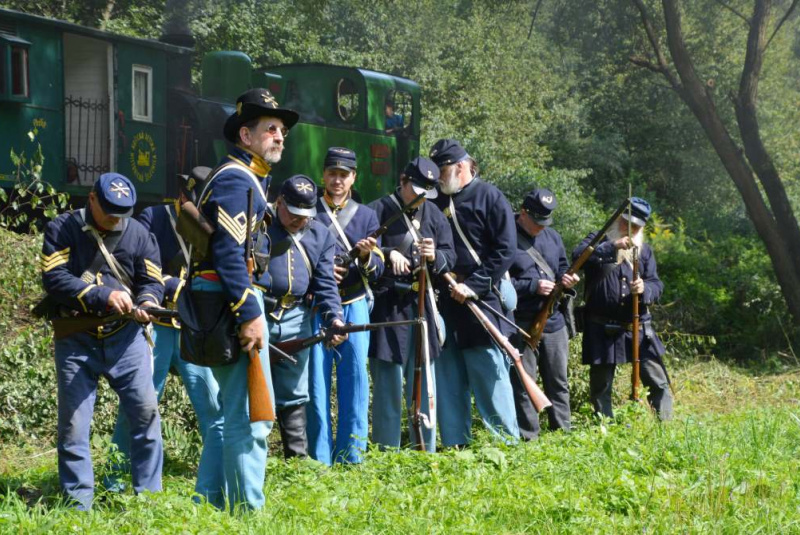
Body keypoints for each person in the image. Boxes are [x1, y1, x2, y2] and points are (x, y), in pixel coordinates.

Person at [188, 88, 298, 511]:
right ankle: (247, 512)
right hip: (232, 301)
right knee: (252, 416)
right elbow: (230, 255)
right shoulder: (236, 179)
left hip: (222, 299)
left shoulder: (243, 176)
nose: (279, 136)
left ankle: (211, 502)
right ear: (245, 136)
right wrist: (250, 314)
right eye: (270, 128)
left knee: (234, 413)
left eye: (282, 130)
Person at [41, 172, 164, 511]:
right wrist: (101, 295)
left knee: (146, 417)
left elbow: (151, 280)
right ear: (91, 199)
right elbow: (54, 278)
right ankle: (78, 506)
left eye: (122, 212)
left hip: (126, 340)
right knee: (74, 427)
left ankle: (149, 500)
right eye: (109, 209)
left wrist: (149, 303)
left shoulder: (139, 233)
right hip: (76, 338)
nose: (115, 218)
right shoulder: (62, 228)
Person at [107, 167, 224, 501]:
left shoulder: (214, 223)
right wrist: (178, 287)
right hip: (155, 328)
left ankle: (212, 488)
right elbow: (130, 266)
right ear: (184, 196)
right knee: (138, 409)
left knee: (214, 411)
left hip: (193, 330)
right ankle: (115, 482)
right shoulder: (153, 218)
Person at [429, 138, 520, 446]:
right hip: (444, 300)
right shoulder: (434, 202)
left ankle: (506, 446)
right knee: (449, 382)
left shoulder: (490, 196)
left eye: (442, 169)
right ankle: (456, 447)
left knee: (490, 380)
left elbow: (506, 249)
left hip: (481, 300)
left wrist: (475, 286)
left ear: (461, 166)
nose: (439, 177)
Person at [368, 157, 456, 452]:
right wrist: (387, 252)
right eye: (416, 188)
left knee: (425, 385)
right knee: (388, 388)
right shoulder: (377, 210)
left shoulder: (434, 214)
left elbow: (449, 257)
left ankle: (425, 450)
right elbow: (361, 249)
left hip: (423, 305)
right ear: (403, 180)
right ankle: (387, 452)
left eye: (426, 191)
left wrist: (434, 257)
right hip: (389, 308)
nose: (420, 196)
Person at [256, 175, 346, 459]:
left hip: (297, 316)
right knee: (254, 389)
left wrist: (335, 318)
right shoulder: (259, 226)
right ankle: (251, 458)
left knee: (294, 393)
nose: (299, 221)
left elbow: (326, 284)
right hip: (260, 313)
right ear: (279, 202)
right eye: (293, 214)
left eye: (304, 216)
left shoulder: (321, 235)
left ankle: (296, 462)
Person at [307, 147, 384, 465]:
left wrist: (365, 257)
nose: (337, 180)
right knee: (316, 384)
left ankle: (353, 454)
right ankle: (319, 457)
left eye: (344, 174)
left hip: (353, 304)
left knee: (355, 380)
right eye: (332, 173)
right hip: (316, 307)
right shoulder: (309, 210)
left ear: (354, 177)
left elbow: (379, 271)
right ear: (323, 175)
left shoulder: (366, 216)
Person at [572, 197, 673, 421]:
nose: (630, 230)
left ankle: (664, 428)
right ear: (619, 220)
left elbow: (657, 284)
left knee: (657, 381)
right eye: (626, 224)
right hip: (601, 326)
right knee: (601, 386)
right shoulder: (598, 241)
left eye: (636, 227)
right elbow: (577, 258)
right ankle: (605, 429)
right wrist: (611, 246)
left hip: (637, 325)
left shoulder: (644, 251)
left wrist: (644, 288)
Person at [509, 188, 579, 439]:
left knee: (558, 381)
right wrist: (532, 287)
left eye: (544, 222)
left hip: (554, 320)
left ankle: (562, 433)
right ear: (524, 212)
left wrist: (567, 279)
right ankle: (529, 436)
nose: (541, 227)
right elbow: (500, 285)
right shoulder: (506, 238)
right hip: (522, 322)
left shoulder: (553, 237)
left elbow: (561, 267)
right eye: (537, 220)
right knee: (524, 384)